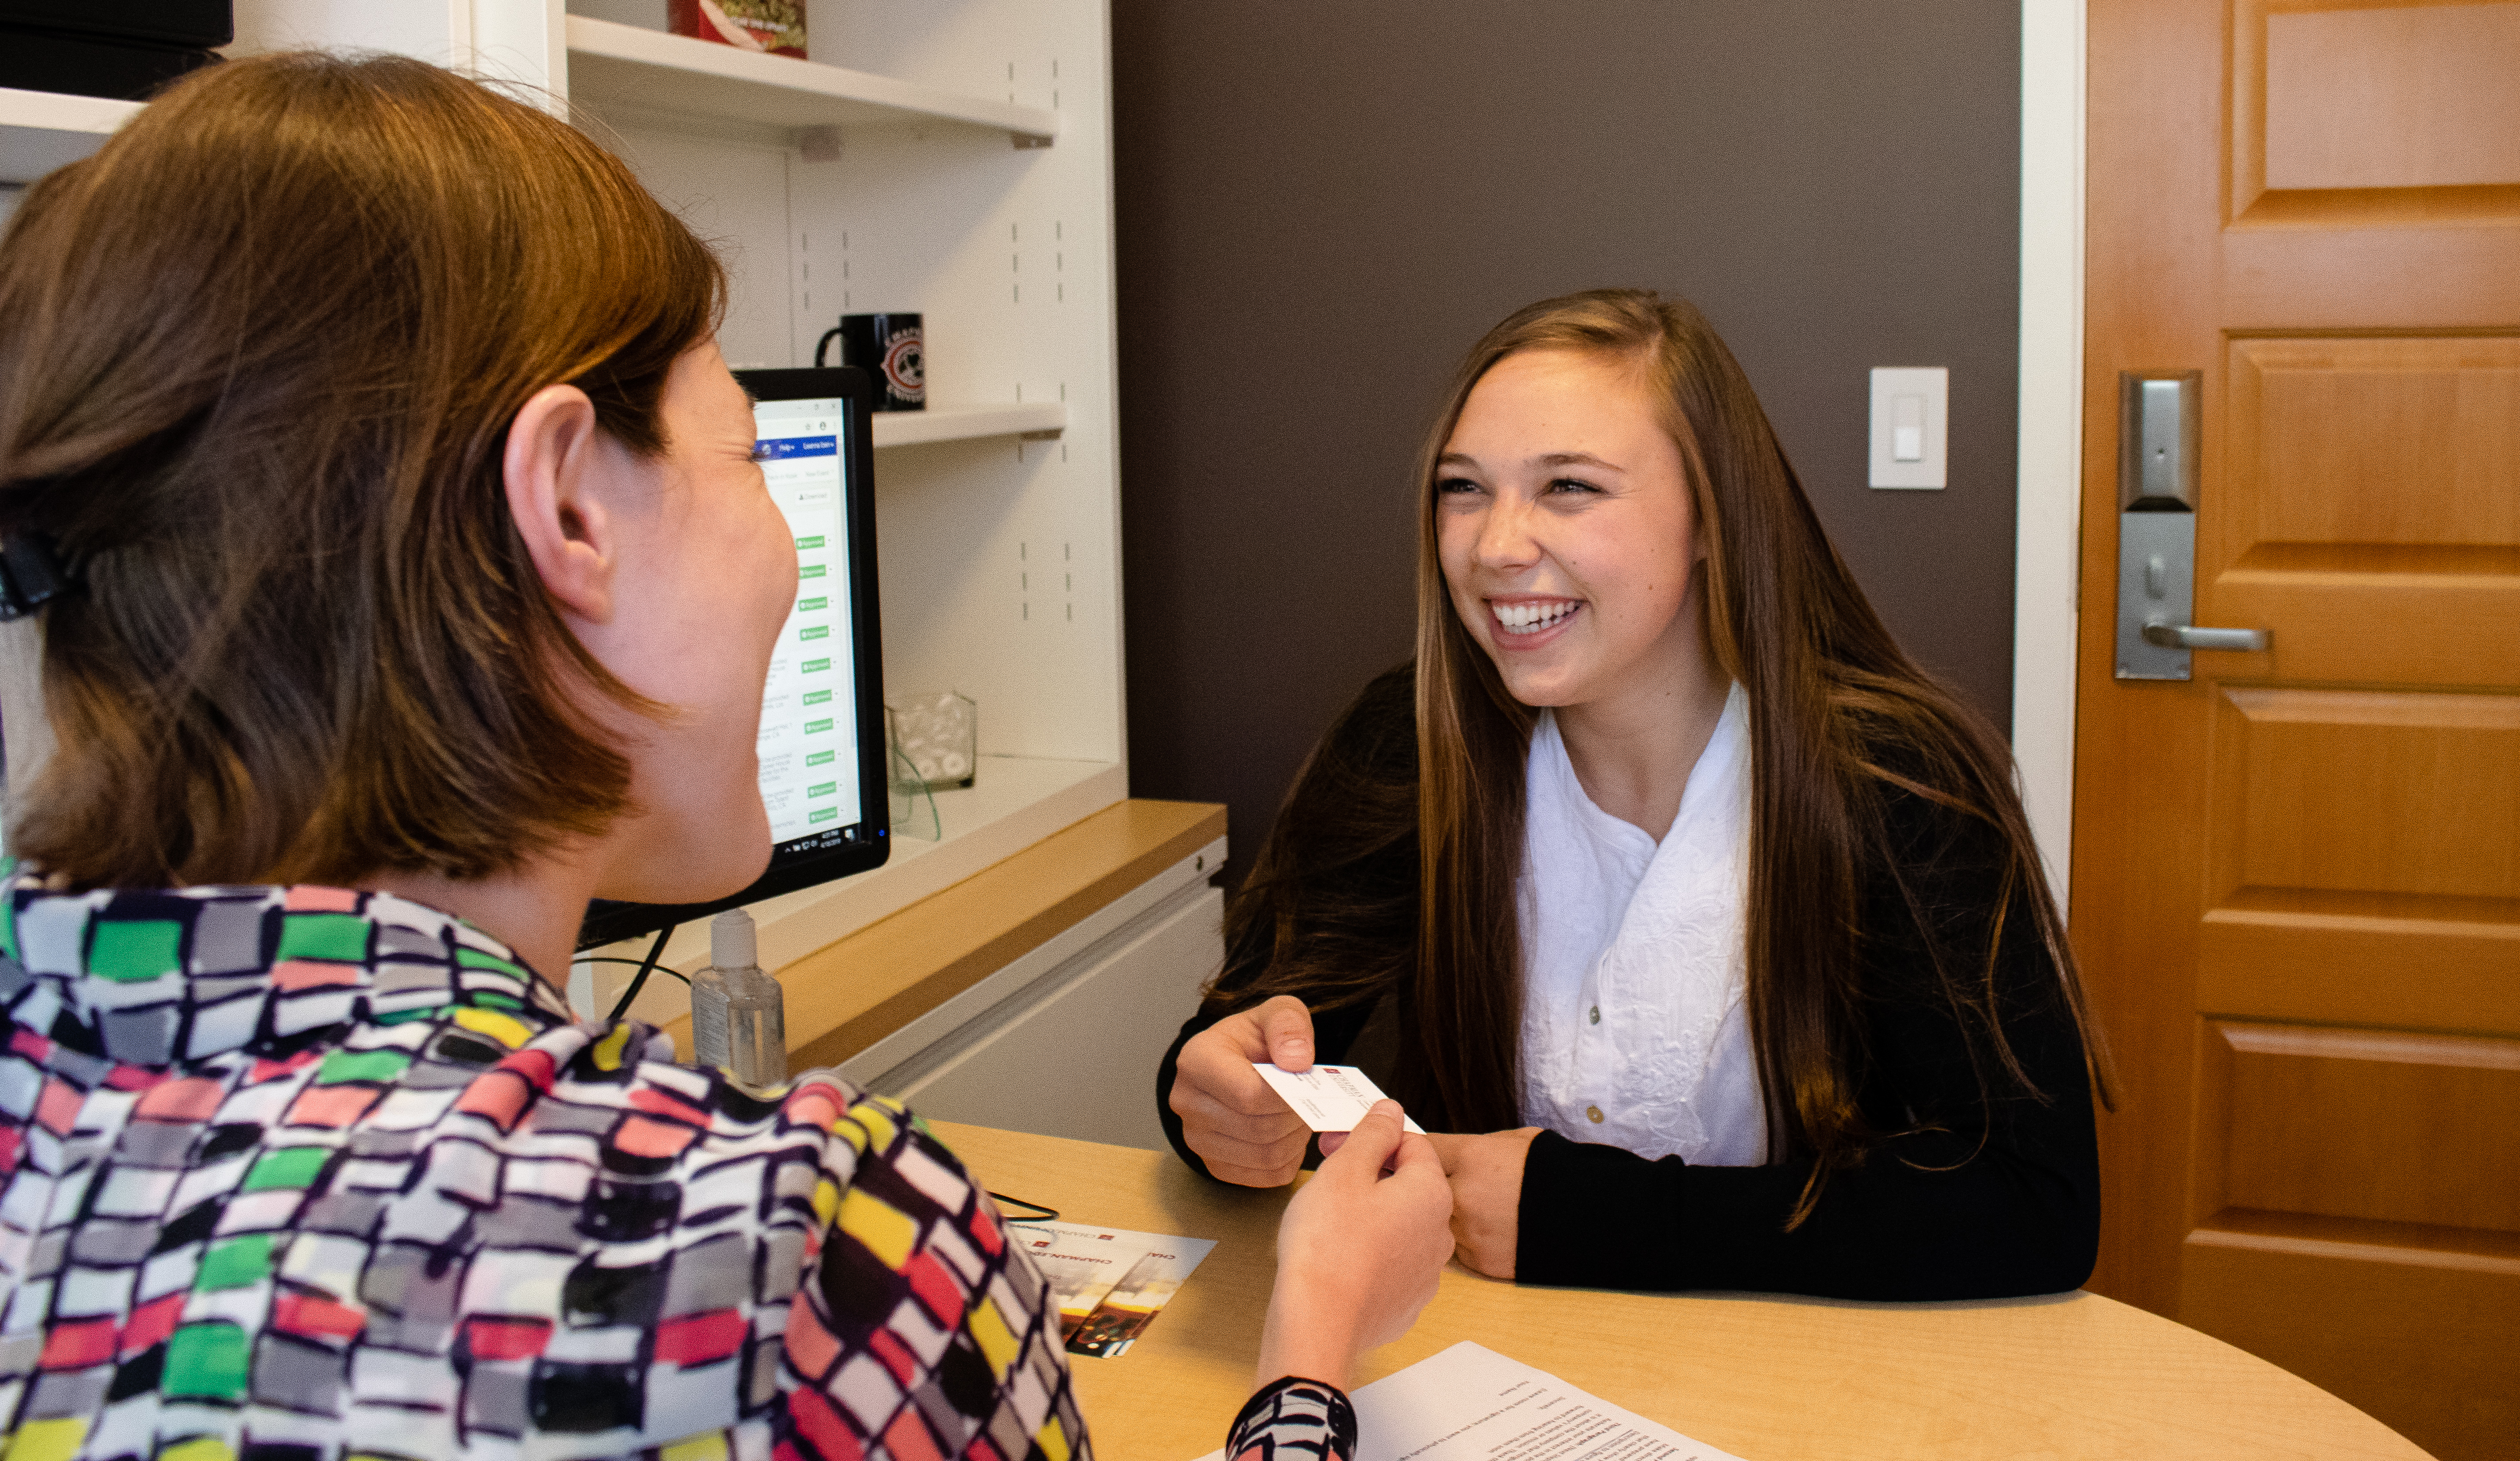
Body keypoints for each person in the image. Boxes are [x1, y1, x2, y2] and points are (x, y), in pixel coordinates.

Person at [0, 53, 1452, 1461]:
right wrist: (1309, 1354)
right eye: (753, 460)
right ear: (568, 508)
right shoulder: (789, 1267)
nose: (788, 557)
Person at [1160, 289, 2106, 1301]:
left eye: (1567, 486)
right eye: (1463, 489)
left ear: (1713, 518)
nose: (1493, 547)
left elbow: (2030, 1203)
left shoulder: (1892, 784)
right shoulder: (1411, 743)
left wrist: (1580, 1217)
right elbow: (1255, 1039)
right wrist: (1215, 1099)